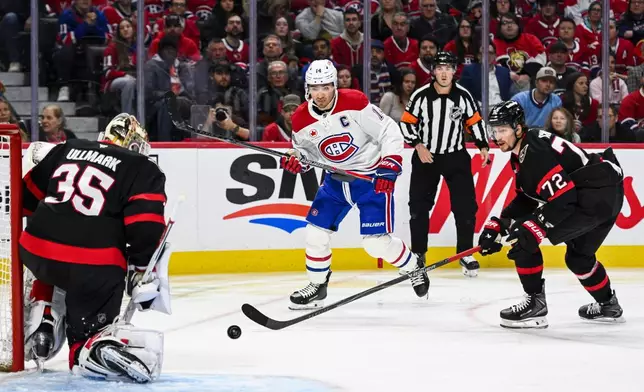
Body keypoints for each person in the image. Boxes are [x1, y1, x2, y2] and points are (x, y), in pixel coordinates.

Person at [20, 114, 168, 382]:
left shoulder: (68, 147)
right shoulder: (141, 167)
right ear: (137, 147)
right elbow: (145, 225)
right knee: (85, 336)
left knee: (50, 261)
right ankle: (94, 347)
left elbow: (26, 196)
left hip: (36, 247)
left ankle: (44, 318)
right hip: (94, 264)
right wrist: (142, 268)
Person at [280, 59, 430, 310]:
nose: (321, 94)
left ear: (334, 86)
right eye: (315, 88)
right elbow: (307, 154)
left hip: (370, 180)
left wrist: (390, 164)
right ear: (307, 89)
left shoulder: (355, 102)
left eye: (326, 87)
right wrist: (299, 162)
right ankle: (317, 286)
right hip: (335, 183)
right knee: (315, 234)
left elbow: (389, 131)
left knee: (375, 244)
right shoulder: (300, 119)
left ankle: (413, 266)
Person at [479, 101, 625, 329]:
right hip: (606, 193)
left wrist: (530, 228)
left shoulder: (533, 150)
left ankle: (535, 305)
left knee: (523, 235)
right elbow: (528, 198)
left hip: (592, 197)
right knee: (578, 257)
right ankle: (609, 305)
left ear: (518, 128)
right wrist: (499, 223)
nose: (497, 136)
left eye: (503, 130)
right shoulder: (524, 151)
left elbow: (564, 199)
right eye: (494, 130)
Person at [399, 52, 489, 278]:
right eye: (440, 68)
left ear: (454, 71)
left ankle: (465, 253)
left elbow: (474, 121)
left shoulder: (464, 96)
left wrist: (483, 146)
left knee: (466, 206)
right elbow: (407, 124)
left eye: (448, 68)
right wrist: (418, 146)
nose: (444, 72)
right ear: (433, 71)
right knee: (418, 207)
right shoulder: (420, 96)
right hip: (426, 157)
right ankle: (418, 253)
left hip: (455, 156)